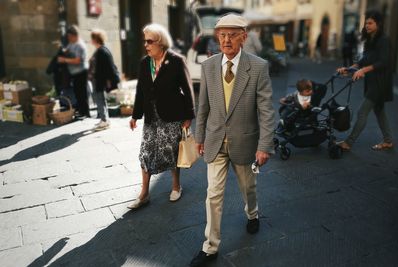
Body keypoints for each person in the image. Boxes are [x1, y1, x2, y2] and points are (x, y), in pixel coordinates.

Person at [190, 14, 275, 267]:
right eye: (222, 35)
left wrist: (264, 145)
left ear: (243, 37)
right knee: (213, 195)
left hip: (246, 142)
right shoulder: (209, 66)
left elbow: (266, 110)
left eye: (232, 35)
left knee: (247, 188)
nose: (226, 40)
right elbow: (202, 106)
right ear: (217, 38)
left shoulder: (258, 66)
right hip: (216, 140)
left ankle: (252, 213)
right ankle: (210, 247)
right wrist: (200, 136)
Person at [128, 24, 195, 209]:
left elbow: (188, 90)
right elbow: (141, 92)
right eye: (145, 41)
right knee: (145, 152)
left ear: (161, 42)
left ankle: (176, 186)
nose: (146, 45)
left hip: (172, 114)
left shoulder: (176, 61)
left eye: (150, 41)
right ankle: (144, 194)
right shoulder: (144, 63)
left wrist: (189, 116)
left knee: (171, 152)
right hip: (151, 116)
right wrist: (135, 115)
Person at [337, 10, 394, 151]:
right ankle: (388, 141)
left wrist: (362, 70)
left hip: (380, 83)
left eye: (370, 23)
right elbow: (363, 61)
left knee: (362, 112)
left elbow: (384, 62)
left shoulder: (384, 40)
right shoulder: (370, 40)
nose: (367, 25)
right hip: (372, 82)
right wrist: (349, 69)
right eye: (366, 23)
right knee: (379, 111)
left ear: (378, 24)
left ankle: (348, 143)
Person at [88, 29, 120, 131]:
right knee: (100, 99)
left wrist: (110, 81)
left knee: (99, 99)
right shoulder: (101, 50)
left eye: (92, 38)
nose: (91, 40)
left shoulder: (102, 51)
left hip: (99, 80)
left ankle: (105, 121)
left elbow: (108, 67)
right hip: (98, 80)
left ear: (95, 39)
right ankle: (104, 120)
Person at [58, 25, 90, 118]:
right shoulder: (72, 43)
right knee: (77, 92)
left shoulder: (80, 45)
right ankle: (81, 111)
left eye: (69, 36)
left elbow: (78, 60)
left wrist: (64, 60)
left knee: (82, 93)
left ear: (74, 35)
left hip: (81, 72)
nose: (68, 38)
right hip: (75, 73)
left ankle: (85, 113)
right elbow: (68, 51)